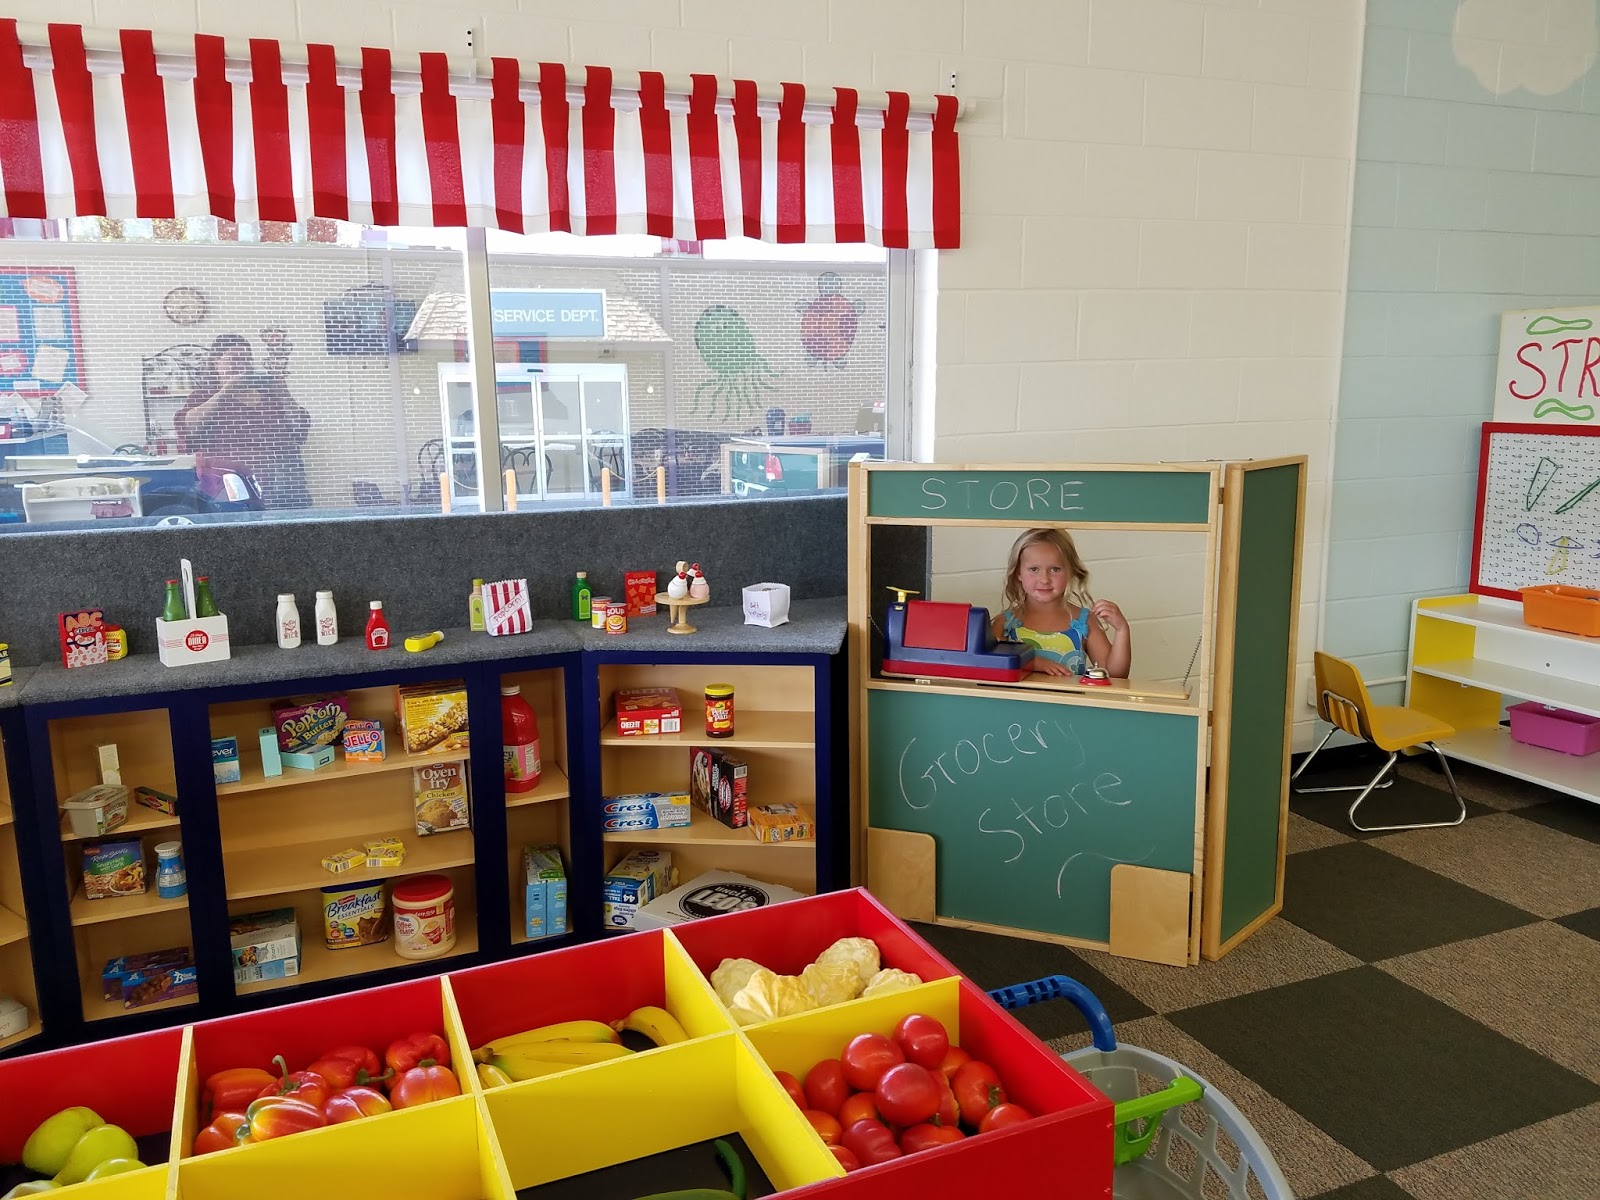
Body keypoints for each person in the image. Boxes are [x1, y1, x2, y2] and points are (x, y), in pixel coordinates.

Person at [174, 333, 312, 509]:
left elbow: (299, 429)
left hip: (280, 488)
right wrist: (225, 392)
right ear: (216, 362)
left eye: (247, 359)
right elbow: (187, 428)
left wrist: (284, 394)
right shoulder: (203, 396)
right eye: (234, 358)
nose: (242, 364)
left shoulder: (270, 396)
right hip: (227, 488)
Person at [992, 527, 1131, 678]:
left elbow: (1116, 677)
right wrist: (1031, 662)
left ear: (1071, 572)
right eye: (1033, 569)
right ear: (1018, 572)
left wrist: (1121, 630)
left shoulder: (1085, 622)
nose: (1044, 579)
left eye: (1055, 569)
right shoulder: (1005, 623)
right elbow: (990, 668)